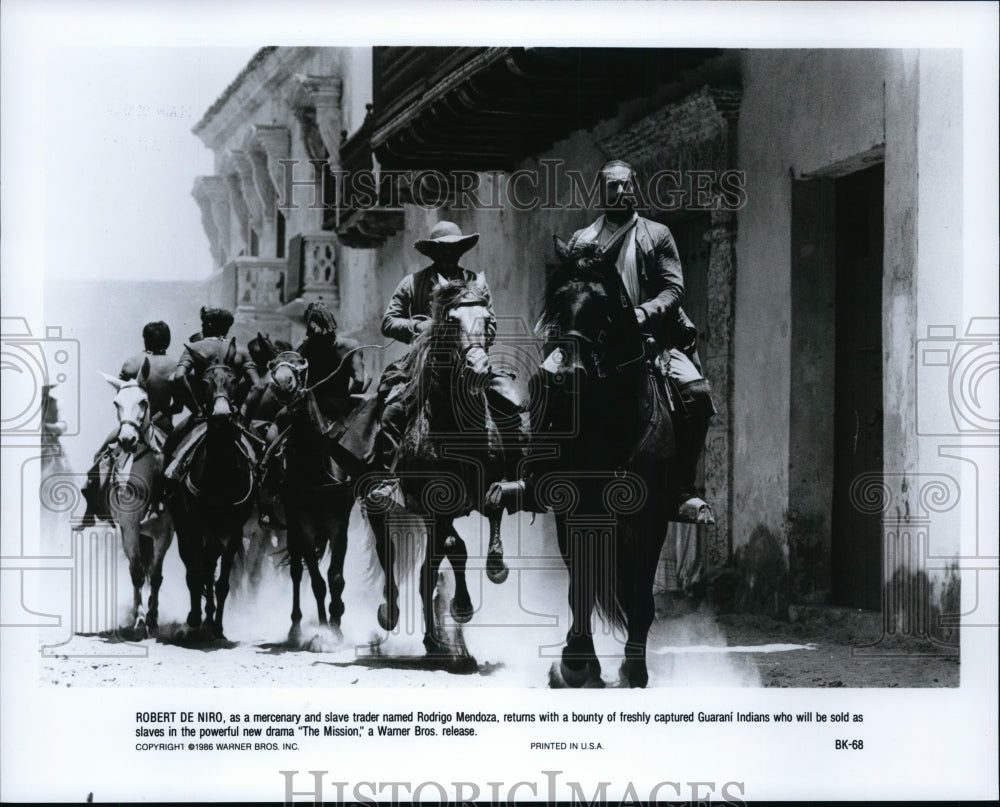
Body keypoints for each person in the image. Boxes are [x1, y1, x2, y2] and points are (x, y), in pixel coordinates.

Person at [567, 159, 716, 523]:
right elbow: (569, 290)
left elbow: (673, 289)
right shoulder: (581, 240)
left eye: (625, 185)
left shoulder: (657, 234)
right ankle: (540, 473)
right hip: (594, 345)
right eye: (611, 186)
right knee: (549, 383)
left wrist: (641, 313)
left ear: (635, 188)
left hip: (651, 342)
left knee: (697, 394)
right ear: (599, 191)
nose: (619, 192)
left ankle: (681, 485)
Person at [73, 321, 177, 530]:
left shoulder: (131, 363)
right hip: (164, 425)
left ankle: (90, 511)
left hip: (132, 426)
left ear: (145, 339)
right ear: (167, 340)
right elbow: (180, 403)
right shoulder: (175, 365)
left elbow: (123, 396)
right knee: (179, 462)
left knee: (100, 456)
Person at [162, 306, 262, 482]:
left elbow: (177, 378)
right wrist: (242, 413)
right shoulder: (240, 351)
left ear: (208, 325)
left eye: (203, 324)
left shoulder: (195, 347)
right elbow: (258, 387)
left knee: (169, 448)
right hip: (234, 418)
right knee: (262, 455)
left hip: (203, 417)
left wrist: (196, 409)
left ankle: (162, 498)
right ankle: (264, 505)